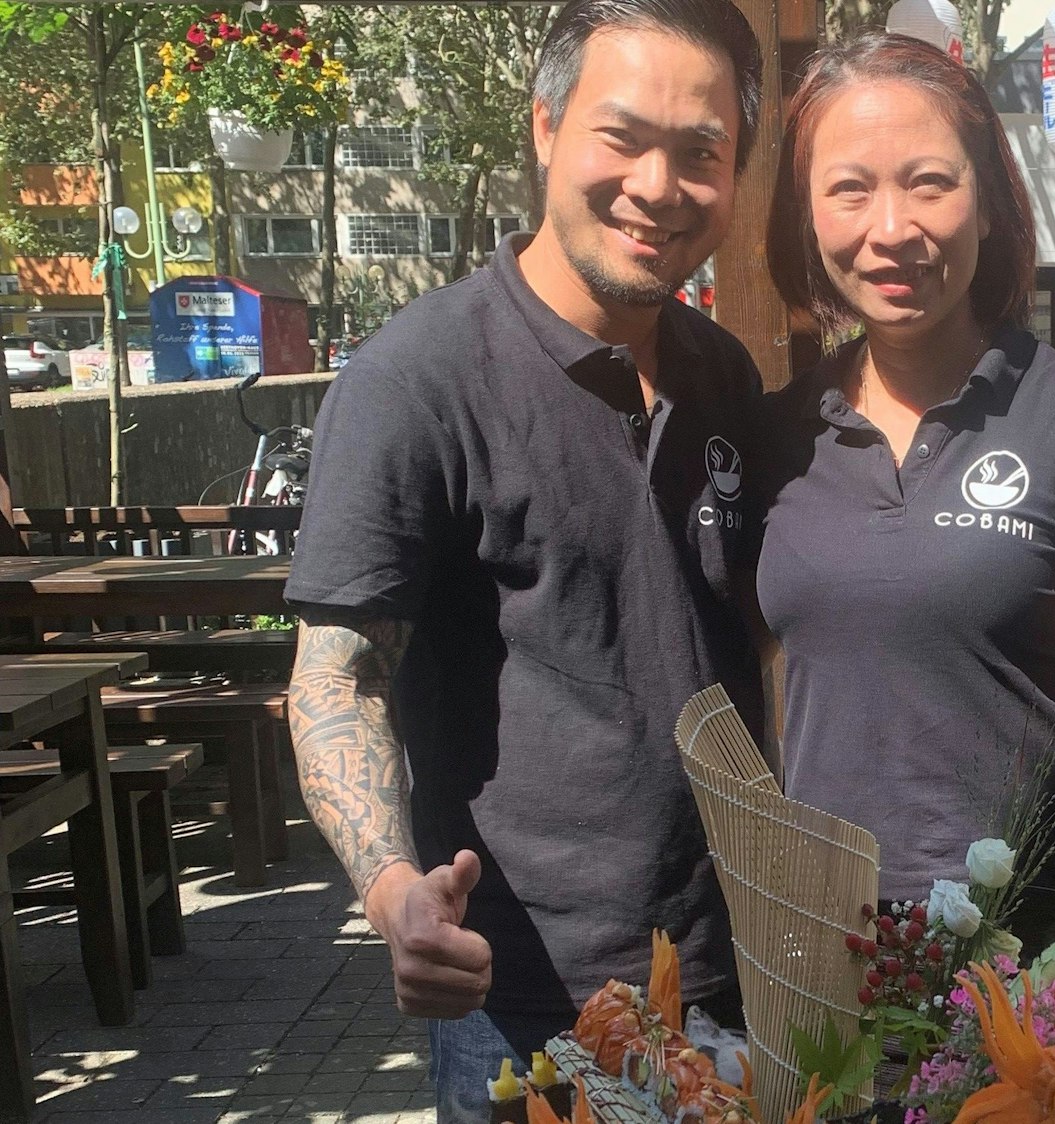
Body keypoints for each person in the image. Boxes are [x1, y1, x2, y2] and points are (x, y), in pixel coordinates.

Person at [283, 2, 766, 1118]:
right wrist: (395, 888)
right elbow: (332, 676)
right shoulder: (419, 377)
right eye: (623, 136)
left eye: (703, 154)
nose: (658, 184)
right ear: (545, 127)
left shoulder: (722, 374)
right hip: (529, 999)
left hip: (736, 967)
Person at [755, 33, 1055, 917]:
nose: (891, 228)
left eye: (929, 181)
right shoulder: (773, 437)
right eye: (849, 189)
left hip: (1032, 945)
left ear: (987, 204)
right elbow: (767, 688)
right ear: (807, 218)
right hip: (825, 950)